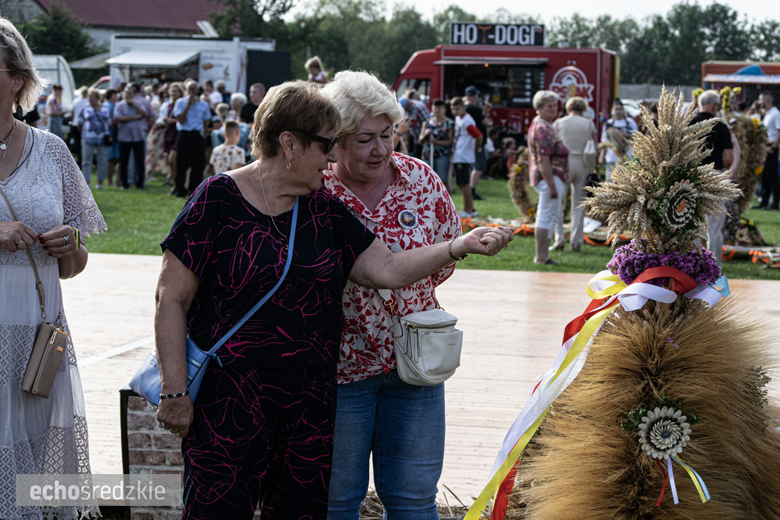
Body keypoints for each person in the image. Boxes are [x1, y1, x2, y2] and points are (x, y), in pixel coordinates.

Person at [154, 80, 512, 520]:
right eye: (326, 144)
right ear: (289, 143)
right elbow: (170, 298)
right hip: (231, 398)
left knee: (304, 513)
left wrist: (459, 246)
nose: (330, 157)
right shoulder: (217, 199)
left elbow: (387, 269)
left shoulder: (322, 207)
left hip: (309, 403)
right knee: (219, 510)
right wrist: (174, 390)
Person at [321, 70, 466, 520]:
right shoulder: (315, 188)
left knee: (414, 501)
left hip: (417, 363)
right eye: (365, 139)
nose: (381, 149)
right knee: (335, 501)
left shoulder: (420, 178)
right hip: (340, 367)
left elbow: (444, 257)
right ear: (335, 141)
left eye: (387, 134)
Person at [0, 17, 106, 518]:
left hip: (37, 339)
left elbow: (73, 266)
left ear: (16, 80)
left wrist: (69, 245)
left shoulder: (52, 151)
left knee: (36, 477)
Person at [690, 90, 733, 267]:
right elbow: (729, 158)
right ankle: (715, 269)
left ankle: (691, 266)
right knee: (714, 228)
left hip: (691, 177)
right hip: (715, 176)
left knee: (692, 225)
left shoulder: (688, 124)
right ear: (715, 105)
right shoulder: (721, 127)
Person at [528, 90, 569, 265]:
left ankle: (544, 255)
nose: (553, 109)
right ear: (539, 108)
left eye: (554, 105)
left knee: (550, 215)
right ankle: (541, 256)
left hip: (551, 177)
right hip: (549, 177)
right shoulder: (542, 128)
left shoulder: (545, 125)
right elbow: (543, 159)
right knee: (545, 215)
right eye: (549, 106)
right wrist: (551, 186)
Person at [553, 96, 598, 252]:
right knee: (579, 203)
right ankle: (577, 241)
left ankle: (559, 238)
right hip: (582, 162)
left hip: (563, 162)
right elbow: (594, 147)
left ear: (568, 107)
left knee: (559, 202)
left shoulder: (559, 123)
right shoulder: (589, 124)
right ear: (583, 109)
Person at [172, 79, 211, 197]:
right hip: (185, 133)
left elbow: (205, 121)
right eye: (190, 89)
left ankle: (194, 191)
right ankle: (180, 190)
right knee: (181, 163)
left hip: (197, 134)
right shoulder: (180, 102)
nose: (192, 92)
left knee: (198, 164)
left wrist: (204, 134)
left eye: (194, 89)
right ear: (186, 90)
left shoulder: (203, 104)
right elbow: (180, 120)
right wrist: (188, 105)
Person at [450, 96, 482, 218]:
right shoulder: (459, 118)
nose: (455, 112)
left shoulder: (467, 121)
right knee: (460, 183)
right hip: (459, 155)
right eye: (453, 109)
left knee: (465, 184)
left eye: (457, 109)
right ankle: (471, 208)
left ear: (463, 108)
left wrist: (475, 149)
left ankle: (466, 210)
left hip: (463, 156)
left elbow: (479, 136)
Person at [115, 84, 148, 190]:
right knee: (124, 161)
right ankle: (124, 183)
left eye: (130, 93)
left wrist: (134, 104)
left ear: (134, 94)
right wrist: (135, 117)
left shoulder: (139, 103)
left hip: (138, 136)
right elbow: (119, 118)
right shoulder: (119, 105)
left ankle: (140, 183)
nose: (128, 95)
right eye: (126, 93)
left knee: (140, 161)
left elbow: (144, 114)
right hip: (124, 137)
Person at [77, 88, 111, 189]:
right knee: (86, 161)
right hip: (88, 138)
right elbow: (79, 122)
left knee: (102, 160)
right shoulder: (85, 108)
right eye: (88, 96)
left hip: (102, 138)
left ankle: (100, 183)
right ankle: (87, 183)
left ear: (97, 97)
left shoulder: (106, 108)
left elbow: (109, 122)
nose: (89, 98)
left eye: (91, 96)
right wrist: (84, 132)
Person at [464, 85, 492, 201]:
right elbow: (486, 122)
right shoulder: (474, 109)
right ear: (475, 96)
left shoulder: (466, 108)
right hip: (477, 142)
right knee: (479, 167)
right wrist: (486, 112)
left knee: (474, 166)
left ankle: (470, 190)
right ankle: (472, 191)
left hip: (470, 141)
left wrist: (484, 111)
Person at [599, 100, 638, 181]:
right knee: (611, 181)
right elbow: (604, 141)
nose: (618, 111)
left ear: (623, 110)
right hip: (612, 157)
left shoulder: (630, 122)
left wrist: (626, 135)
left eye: (620, 109)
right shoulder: (608, 123)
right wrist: (602, 155)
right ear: (612, 111)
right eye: (616, 109)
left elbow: (637, 137)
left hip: (627, 157)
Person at [420, 98, 454, 189]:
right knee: (427, 181)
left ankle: (446, 198)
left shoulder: (449, 123)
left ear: (444, 109)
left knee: (442, 181)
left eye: (439, 108)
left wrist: (437, 142)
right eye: (435, 108)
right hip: (427, 155)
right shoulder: (427, 122)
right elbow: (420, 140)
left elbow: (451, 142)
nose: (437, 110)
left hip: (442, 156)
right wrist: (425, 135)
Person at [755, 91, 780, 210]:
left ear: (767, 100)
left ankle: (775, 203)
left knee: (772, 176)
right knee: (764, 175)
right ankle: (764, 201)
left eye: (761, 100)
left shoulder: (776, 114)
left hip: (771, 148)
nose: (759, 102)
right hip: (765, 147)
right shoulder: (767, 114)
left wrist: (774, 146)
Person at [157, 82, 183, 187]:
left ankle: (179, 183)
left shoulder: (182, 104)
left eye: (175, 91)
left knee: (173, 160)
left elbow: (183, 119)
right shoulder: (168, 105)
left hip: (177, 133)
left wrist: (171, 120)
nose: (173, 93)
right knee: (170, 161)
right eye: (172, 91)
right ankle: (174, 184)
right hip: (169, 133)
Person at [104, 88, 120, 186]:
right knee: (111, 158)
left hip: (116, 134)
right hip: (111, 134)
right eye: (115, 94)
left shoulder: (115, 105)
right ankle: (109, 181)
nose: (116, 96)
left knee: (116, 158)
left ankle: (117, 180)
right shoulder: (107, 106)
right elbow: (111, 121)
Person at [71, 86, 89, 165]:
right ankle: (82, 162)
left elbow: (72, 113)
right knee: (83, 146)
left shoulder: (75, 101)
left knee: (77, 144)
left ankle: (78, 161)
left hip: (75, 124)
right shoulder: (88, 101)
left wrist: (74, 120)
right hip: (83, 126)